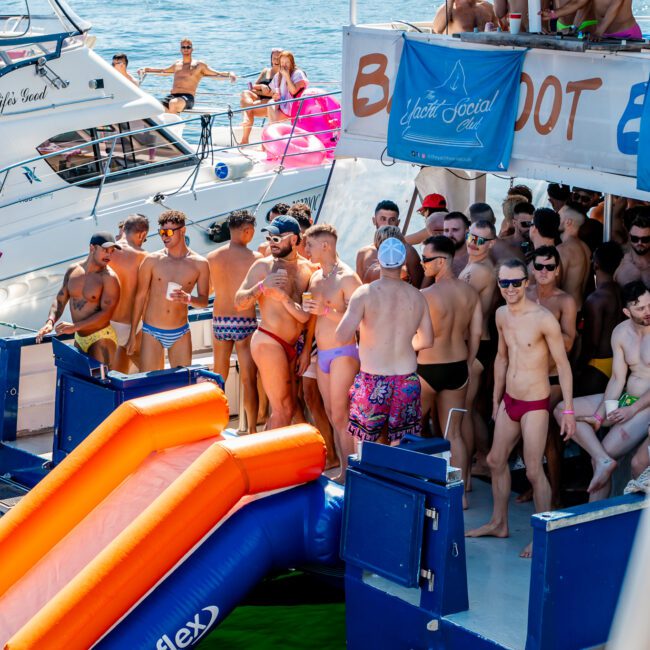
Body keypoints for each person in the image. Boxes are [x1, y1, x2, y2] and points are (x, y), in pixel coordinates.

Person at [467, 259, 575, 558]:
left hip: (536, 402)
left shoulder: (543, 319)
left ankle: (542, 535)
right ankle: (499, 523)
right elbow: (501, 357)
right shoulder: (501, 314)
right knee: (494, 459)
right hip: (510, 400)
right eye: (505, 283)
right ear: (499, 283)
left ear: (526, 283)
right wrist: (495, 398)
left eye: (516, 282)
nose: (510, 289)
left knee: (532, 471)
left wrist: (567, 410)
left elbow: (563, 367)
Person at [554, 280, 650, 501]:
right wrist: (601, 413)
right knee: (563, 410)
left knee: (606, 452)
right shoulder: (620, 332)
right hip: (627, 396)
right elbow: (617, 378)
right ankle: (601, 461)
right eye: (640, 308)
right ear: (627, 311)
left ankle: (601, 465)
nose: (647, 312)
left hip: (644, 406)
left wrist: (631, 409)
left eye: (649, 305)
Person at [336, 238, 433, 447]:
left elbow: (341, 335)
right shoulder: (417, 296)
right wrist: (404, 344)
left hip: (373, 379)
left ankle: (366, 480)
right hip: (406, 378)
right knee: (402, 445)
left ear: (378, 261)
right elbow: (427, 339)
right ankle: (397, 479)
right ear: (403, 263)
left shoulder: (365, 293)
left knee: (364, 444)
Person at [418, 236, 482, 506]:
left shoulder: (426, 296)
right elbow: (476, 332)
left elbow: (418, 336)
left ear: (441, 261)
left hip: (427, 369)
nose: (422, 264)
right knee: (453, 434)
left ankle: (417, 487)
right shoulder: (470, 294)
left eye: (426, 259)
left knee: (413, 429)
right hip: (458, 367)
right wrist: (469, 361)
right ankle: (460, 496)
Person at [235, 216, 313, 428]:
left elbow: (310, 315)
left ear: (295, 239)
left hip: (293, 345)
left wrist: (306, 350)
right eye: (270, 238)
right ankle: (267, 459)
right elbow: (239, 303)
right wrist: (262, 286)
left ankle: (274, 454)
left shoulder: (308, 269)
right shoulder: (262, 267)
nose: (272, 242)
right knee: (283, 408)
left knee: (290, 407)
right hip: (269, 341)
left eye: (277, 238)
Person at [303, 224, 362, 478]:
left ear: (325, 246)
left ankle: (351, 472)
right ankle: (344, 468)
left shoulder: (347, 277)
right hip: (322, 355)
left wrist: (325, 311)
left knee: (341, 414)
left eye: (310, 245)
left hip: (343, 353)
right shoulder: (316, 277)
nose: (306, 250)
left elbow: (359, 319)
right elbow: (312, 315)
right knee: (330, 413)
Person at [527, 245, 577, 507]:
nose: (543, 271)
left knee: (548, 441)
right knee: (526, 437)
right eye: (538, 266)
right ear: (532, 269)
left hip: (552, 378)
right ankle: (535, 486)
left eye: (549, 266)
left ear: (557, 270)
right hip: (525, 377)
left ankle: (555, 492)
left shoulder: (564, 300)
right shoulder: (523, 293)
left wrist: (542, 322)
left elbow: (569, 341)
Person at [127, 210, 209, 371]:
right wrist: (132, 335)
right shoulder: (152, 260)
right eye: (162, 232)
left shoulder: (200, 264)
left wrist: (188, 299)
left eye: (169, 232)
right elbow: (140, 297)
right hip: (151, 331)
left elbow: (204, 301)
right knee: (151, 387)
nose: (165, 236)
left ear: (183, 230)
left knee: (181, 386)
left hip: (180, 332)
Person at [207, 210, 261, 433]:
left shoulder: (212, 257)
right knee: (249, 378)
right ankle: (251, 430)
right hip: (244, 320)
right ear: (247, 231)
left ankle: (213, 426)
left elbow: (210, 290)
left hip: (220, 319)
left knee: (218, 376)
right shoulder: (256, 259)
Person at [36, 232, 121, 367]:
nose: (109, 255)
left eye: (112, 251)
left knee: (99, 384)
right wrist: (50, 322)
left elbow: (106, 314)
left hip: (100, 337)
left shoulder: (109, 278)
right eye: (105, 250)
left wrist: (74, 327)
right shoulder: (73, 270)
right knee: (80, 381)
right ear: (92, 248)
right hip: (80, 338)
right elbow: (60, 299)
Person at [459, 220, 499, 478]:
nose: (473, 243)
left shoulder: (483, 270)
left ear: (491, 244)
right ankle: (481, 457)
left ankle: (483, 458)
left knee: (465, 410)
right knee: (468, 410)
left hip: (476, 345)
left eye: (480, 240)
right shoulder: (474, 263)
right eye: (471, 237)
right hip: (473, 343)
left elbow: (460, 307)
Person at [575, 242, 624, 396]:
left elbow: (592, 343)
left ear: (596, 265)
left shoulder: (596, 299)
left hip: (597, 365)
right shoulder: (620, 290)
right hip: (618, 363)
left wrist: (577, 368)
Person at [138, 39, 236, 115]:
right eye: (183, 47)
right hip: (173, 96)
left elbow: (216, 73)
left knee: (173, 104)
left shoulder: (199, 65)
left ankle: (173, 132)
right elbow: (163, 71)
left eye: (188, 47)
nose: (186, 49)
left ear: (192, 49)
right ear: (180, 49)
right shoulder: (177, 64)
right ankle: (164, 134)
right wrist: (146, 69)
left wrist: (229, 73)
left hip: (187, 98)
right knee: (155, 107)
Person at [108, 214, 149, 373]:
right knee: (153, 376)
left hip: (108, 326)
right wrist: (132, 334)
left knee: (114, 379)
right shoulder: (145, 257)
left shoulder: (105, 251)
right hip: (133, 325)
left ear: (123, 228)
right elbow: (143, 298)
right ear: (143, 234)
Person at [355, 200, 424, 287]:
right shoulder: (364, 253)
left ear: (398, 223)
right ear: (374, 220)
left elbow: (419, 288)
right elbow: (359, 289)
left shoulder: (408, 252)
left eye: (392, 220)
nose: (387, 224)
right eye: (383, 219)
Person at [239, 48, 282, 145]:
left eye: (279, 58)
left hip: (271, 102)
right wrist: (261, 86)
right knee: (245, 92)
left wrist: (267, 93)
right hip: (259, 97)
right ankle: (246, 120)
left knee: (248, 108)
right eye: (274, 58)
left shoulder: (283, 74)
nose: (276, 61)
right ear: (271, 59)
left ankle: (245, 139)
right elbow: (252, 88)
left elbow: (278, 94)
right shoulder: (266, 71)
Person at [541, 0, 641, 40]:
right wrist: (553, 14)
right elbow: (577, 3)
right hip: (605, 35)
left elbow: (613, 10)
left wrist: (598, 32)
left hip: (627, 34)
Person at [557, 202, 591, 310]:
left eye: (560, 216)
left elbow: (555, 286)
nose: (557, 218)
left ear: (568, 222)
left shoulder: (563, 249)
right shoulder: (586, 248)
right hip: (580, 308)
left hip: (567, 312)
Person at [267, 50, 308, 123]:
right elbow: (273, 92)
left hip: (295, 107)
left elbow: (293, 91)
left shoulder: (298, 73)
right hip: (283, 105)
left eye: (287, 62)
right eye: (282, 62)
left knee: (272, 120)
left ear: (292, 63)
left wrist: (287, 76)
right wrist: (274, 96)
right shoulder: (278, 76)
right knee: (270, 103)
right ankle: (275, 128)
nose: (284, 65)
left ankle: (274, 128)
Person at [614, 214, 650, 287]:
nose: (639, 243)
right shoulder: (623, 267)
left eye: (645, 239)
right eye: (635, 239)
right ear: (629, 236)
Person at [433, 0, 499, 34]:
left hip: (483, 54)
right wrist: (450, 2)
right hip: (460, 55)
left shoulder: (488, 7)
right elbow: (437, 29)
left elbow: (497, 33)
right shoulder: (451, 8)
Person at [443, 211, 471, 276]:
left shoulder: (477, 257)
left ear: (467, 232)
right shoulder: (438, 256)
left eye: (455, 230)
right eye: (446, 230)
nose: (449, 235)